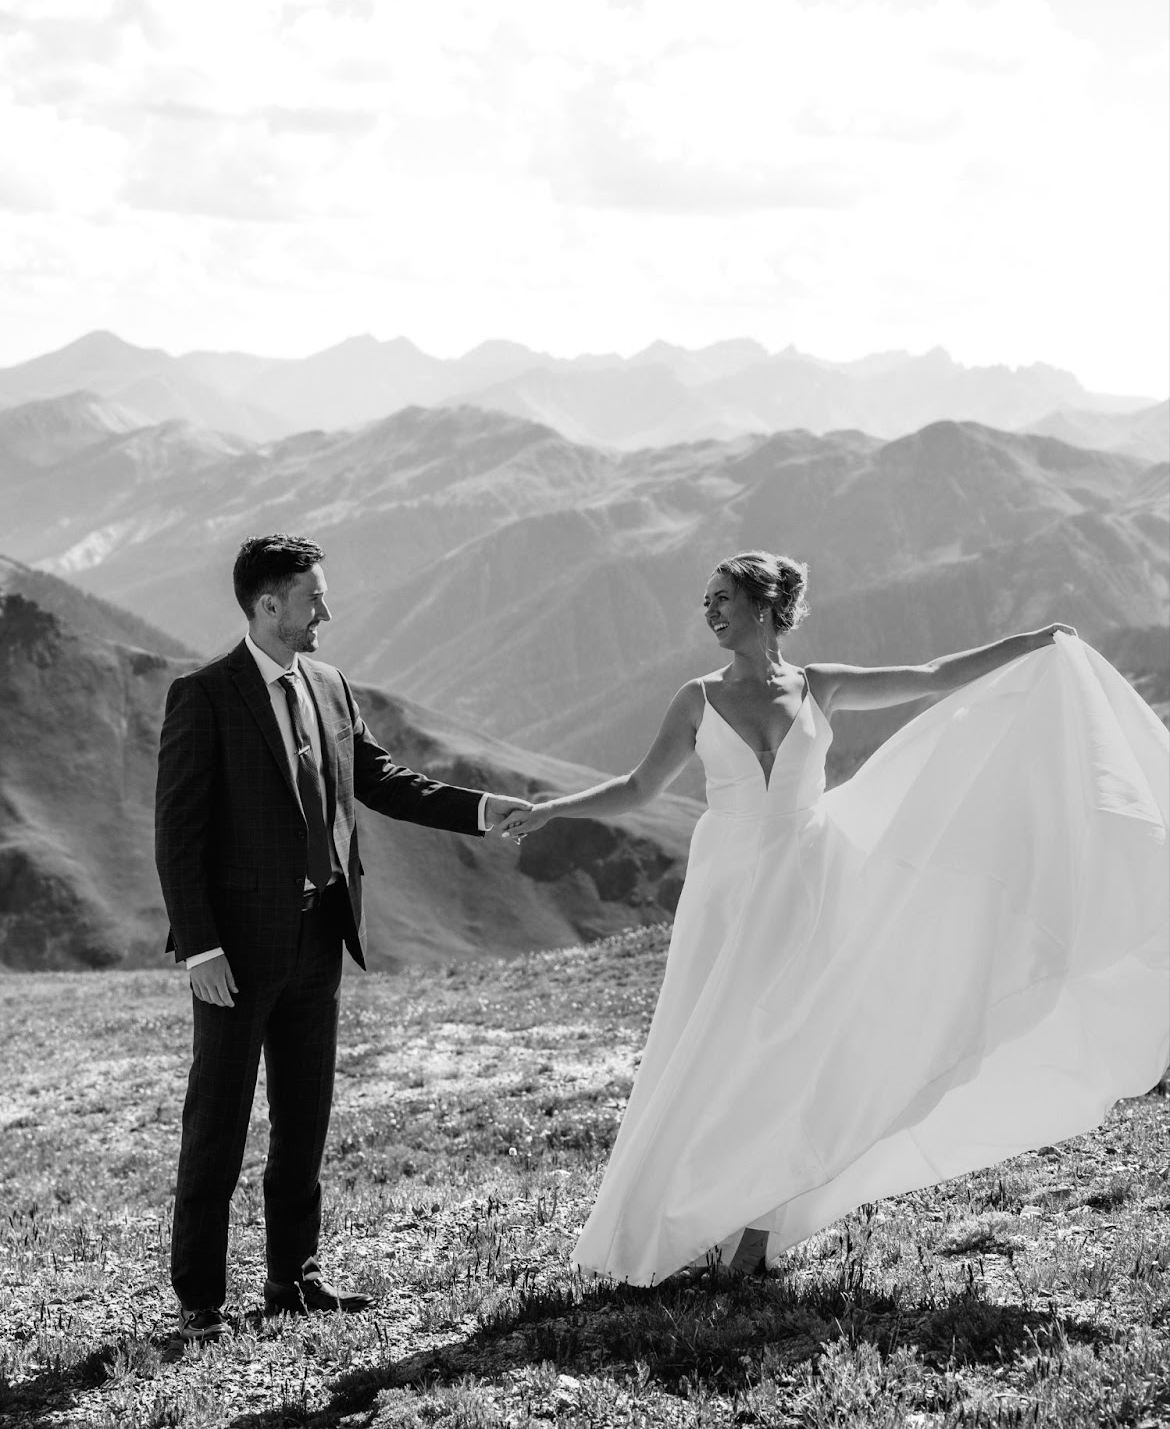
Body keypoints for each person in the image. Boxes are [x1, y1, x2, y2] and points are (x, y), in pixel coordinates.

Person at [501, 549, 1169, 1284]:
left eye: (722, 598)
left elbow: (933, 677)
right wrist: (551, 812)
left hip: (808, 878)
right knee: (714, 1045)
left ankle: (753, 1234)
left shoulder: (821, 687)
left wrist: (1034, 644)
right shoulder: (696, 698)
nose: (711, 613)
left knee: (794, 1047)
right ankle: (680, 1210)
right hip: (727, 890)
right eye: (705, 602)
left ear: (762, 605)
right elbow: (637, 786)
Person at [156, 533, 532, 1341]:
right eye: (312, 597)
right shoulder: (205, 696)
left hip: (319, 938)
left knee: (304, 1119)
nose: (326, 609)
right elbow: (177, 833)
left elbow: (383, 780)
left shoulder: (329, 685)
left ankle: (293, 1279)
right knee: (216, 1123)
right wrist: (200, 947)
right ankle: (199, 1302)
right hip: (235, 954)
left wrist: (478, 809)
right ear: (267, 606)